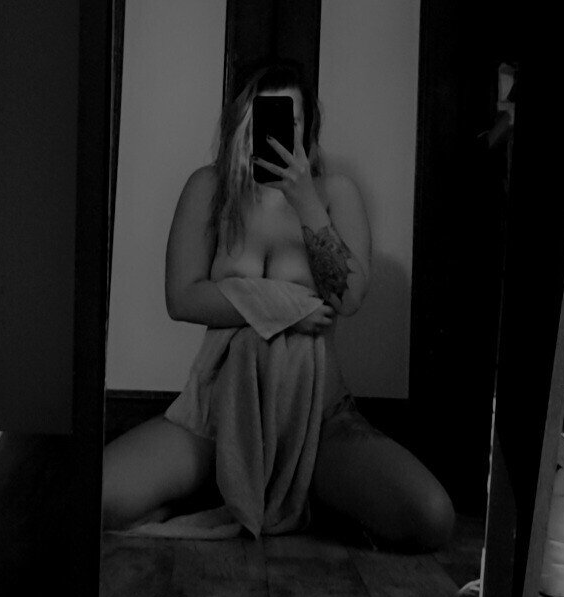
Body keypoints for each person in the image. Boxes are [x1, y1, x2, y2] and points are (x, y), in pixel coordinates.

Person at [102, 62, 455, 551]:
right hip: (216, 417)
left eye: (291, 120)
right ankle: (231, 483)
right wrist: (289, 307)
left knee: (430, 517)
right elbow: (182, 297)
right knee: (98, 496)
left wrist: (306, 202)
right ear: (241, 121)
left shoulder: (335, 194)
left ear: (307, 127)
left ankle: (292, 488)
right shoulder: (210, 188)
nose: (276, 132)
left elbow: (347, 297)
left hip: (318, 421)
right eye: (262, 116)